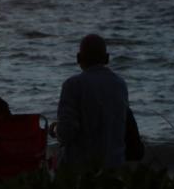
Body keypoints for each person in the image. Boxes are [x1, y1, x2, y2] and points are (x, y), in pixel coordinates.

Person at [52, 34, 130, 168]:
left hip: (82, 170)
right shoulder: (120, 84)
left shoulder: (73, 85)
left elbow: (66, 132)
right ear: (106, 58)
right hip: (114, 165)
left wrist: (54, 129)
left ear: (78, 58)